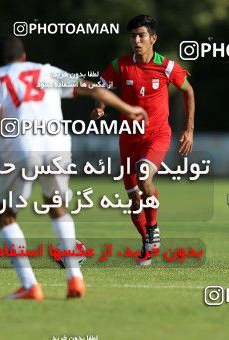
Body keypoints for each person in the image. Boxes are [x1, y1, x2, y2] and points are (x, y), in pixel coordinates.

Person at [0, 35, 147, 300]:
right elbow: (93, 89)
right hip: (57, 145)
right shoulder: (45, 72)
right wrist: (128, 108)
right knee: (57, 206)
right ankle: (75, 278)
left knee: (6, 213)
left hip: (20, 146)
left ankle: (30, 285)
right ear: (23, 56)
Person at [92, 14, 195, 266]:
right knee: (133, 197)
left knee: (143, 176)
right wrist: (100, 107)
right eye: (133, 36)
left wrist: (189, 129)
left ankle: (153, 227)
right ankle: (148, 242)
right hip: (128, 138)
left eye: (141, 36)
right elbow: (101, 87)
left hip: (157, 135)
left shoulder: (168, 67)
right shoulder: (120, 65)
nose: (136, 41)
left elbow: (188, 91)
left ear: (153, 39)